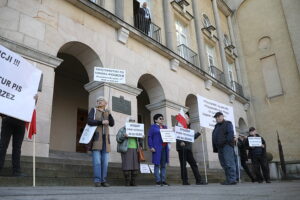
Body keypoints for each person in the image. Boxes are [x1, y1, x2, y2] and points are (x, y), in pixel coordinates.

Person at [0, 94, 38, 177]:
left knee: (17, 148)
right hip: (8, 119)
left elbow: (30, 106)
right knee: (3, 145)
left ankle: (16, 171)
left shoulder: (28, 89)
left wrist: (35, 99)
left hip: (20, 122)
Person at [87, 96, 114, 187]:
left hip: (106, 141)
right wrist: (101, 122)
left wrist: (109, 114)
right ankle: (97, 180)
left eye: (101, 100)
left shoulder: (107, 112)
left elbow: (112, 123)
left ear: (105, 103)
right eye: (98, 100)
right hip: (96, 139)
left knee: (105, 162)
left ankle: (103, 180)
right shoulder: (93, 110)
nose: (99, 101)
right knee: (97, 162)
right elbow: (89, 121)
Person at [176, 112, 206, 185]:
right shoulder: (179, 126)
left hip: (188, 149)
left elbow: (191, 138)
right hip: (182, 148)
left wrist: (199, 133)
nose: (188, 119)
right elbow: (177, 135)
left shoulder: (188, 128)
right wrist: (180, 142)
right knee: (183, 165)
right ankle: (185, 181)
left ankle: (198, 180)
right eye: (186, 117)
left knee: (193, 164)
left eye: (188, 117)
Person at [116, 117, 143, 186]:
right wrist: (124, 136)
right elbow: (118, 139)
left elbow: (140, 142)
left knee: (135, 166)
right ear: (127, 122)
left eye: (133, 121)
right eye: (131, 121)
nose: (132, 122)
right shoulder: (122, 129)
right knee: (127, 165)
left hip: (136, 149)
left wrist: (141, 138)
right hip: (126, 149)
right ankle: (127, 182)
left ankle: (133, 182)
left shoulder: (137, 129)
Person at [212, 112, 237, 185]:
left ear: (222, 116)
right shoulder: (216, 126)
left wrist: (227, 142)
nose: (217, 118)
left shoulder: (228, 123)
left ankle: (232, 179)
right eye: (216, 117)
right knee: (224, 164)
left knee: (229, 163)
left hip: (226, 146)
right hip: (219, 147)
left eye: (218, 116)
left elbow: (230, 133)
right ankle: (228, 179)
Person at [148, 113, 169, 186]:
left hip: (164, 148)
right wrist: (151, 147)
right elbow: (150, 137)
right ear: (155, 120)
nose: (162, 120)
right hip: (156, 148)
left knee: (163, 165)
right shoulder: (153, 127)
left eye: (163, 118)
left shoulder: (165, 127)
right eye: (160, 118)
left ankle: (163, 180)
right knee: (157, 164)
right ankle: (158, 180)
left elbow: (168, 136)